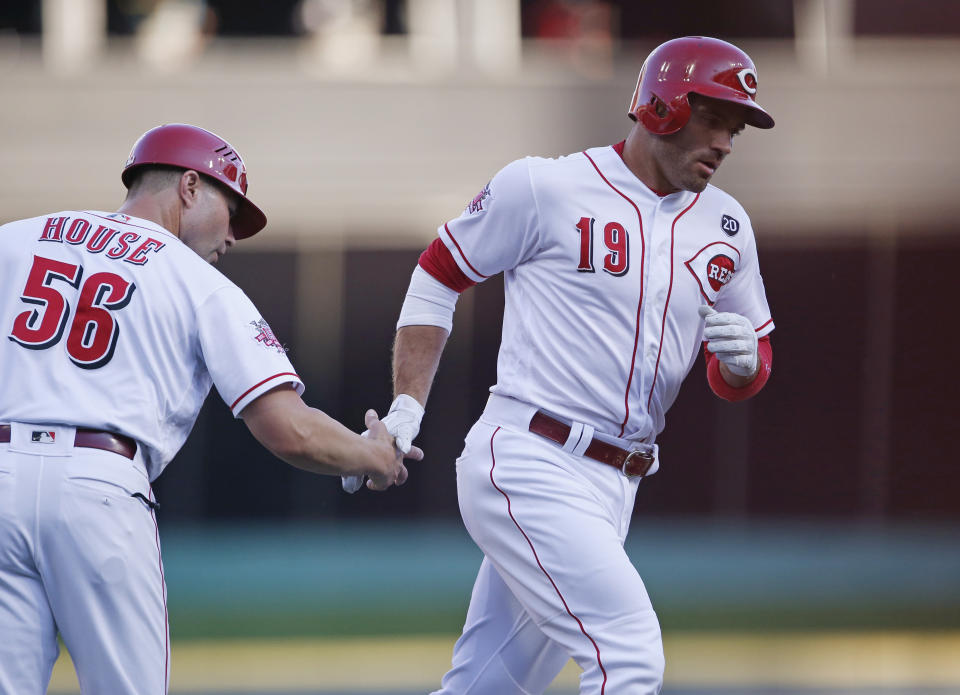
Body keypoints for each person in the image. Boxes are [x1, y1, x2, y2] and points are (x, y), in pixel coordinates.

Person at [347, 36, 776, 693]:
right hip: (529, 454)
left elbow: (747, 367)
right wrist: (408, 406)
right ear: (662, 105)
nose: (725, 141)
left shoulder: (727, 225)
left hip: (616, 482)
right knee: (627, 656)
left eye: (736, 127)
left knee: (487, 685)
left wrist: (745, 367)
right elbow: (439, 273)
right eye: (715, 118)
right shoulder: (547, 186)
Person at [0, 123, 420, 694]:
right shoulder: (197, 280)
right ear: (191, 187)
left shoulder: (18, 239)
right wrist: (371, 456)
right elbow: (289, 429)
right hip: (97, 485)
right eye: (232, 209)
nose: (234, 236)